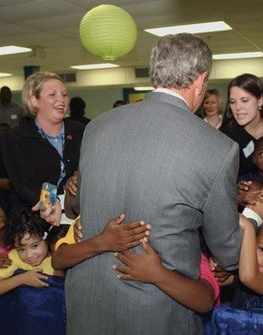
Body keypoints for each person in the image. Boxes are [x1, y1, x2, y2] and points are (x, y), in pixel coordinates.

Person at [65, 33, 245, 335]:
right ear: (201, 81)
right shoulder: (218, 148)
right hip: (156, 312)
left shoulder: (97, 127)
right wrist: (252, 222)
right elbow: (227, 252)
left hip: (88, 303)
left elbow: (81, 206)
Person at [2, 72, 84, 208]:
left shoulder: (80, 131)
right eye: (52, 94)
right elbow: (26, 183)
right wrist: (50, 204)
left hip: (76, 211)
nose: (62, 100)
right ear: (34, 101)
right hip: (37, 217)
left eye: (64, 94)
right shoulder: (17, 138)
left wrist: (75, 177)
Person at [0, 207, 63, 297]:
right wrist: (22, 279)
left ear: (46, 238)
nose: (29, 255)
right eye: (21, 249)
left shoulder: (58, 257)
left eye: (35, 246)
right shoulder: (14, 257)